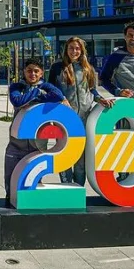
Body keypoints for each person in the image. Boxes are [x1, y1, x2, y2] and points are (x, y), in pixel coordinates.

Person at [48, 38, 112, 187]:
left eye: (77, 49)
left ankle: (78, 189)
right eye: (71, 48)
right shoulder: (57, 67)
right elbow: (50, 88)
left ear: (82, 50)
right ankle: (66, 187)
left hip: (84, 118)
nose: (74, 51)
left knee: (81, 158)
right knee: (64, 155)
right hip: (64, 118)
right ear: (66, 49)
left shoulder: (87, 68)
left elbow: (91, 89)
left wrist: (100, 99)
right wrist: (61, 98)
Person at [4, 58, 67, 205]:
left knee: (34, 178)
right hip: (16, 143)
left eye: (36, 71)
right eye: (29, 70)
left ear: (41, 73)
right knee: (10, 177)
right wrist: (38, 92)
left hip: (37, 144)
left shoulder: (47, 85)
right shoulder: (16, 86)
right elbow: (17, 101)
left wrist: (39, 89)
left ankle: (32, 204)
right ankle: (9, 201)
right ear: (24, 72)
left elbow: (58, 95)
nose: (32, 74)